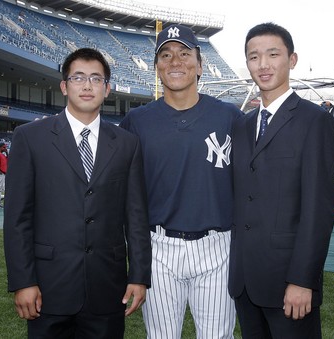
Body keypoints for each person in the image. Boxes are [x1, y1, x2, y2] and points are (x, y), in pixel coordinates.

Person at [3, 48, 152, 339]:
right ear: (63, 86)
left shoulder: (127, 144)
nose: (87, 86)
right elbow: (18, 217)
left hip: (107, 288)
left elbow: (136, 216)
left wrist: (139, 275)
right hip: (48, 287)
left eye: (96, 79)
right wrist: (23, 281)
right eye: (78, 77)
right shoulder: (30, 138)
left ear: (107, 89)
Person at [120, 24, 242, 338]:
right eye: (166, 55)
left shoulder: (231, 117)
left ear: (200, 65)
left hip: (218, 247)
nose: (176, 61)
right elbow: (124, 195)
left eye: (185, 53)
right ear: (157, 68)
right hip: (159, 247)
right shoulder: (136, 121)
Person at [229, 22, 334, 338]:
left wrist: (303, 279)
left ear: (291, 59)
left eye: (272, 54)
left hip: (290, 282)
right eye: (253, 57)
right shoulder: (242, 126)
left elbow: (319, 208)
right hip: (246, 282)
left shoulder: (314, 120)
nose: (262, 64)